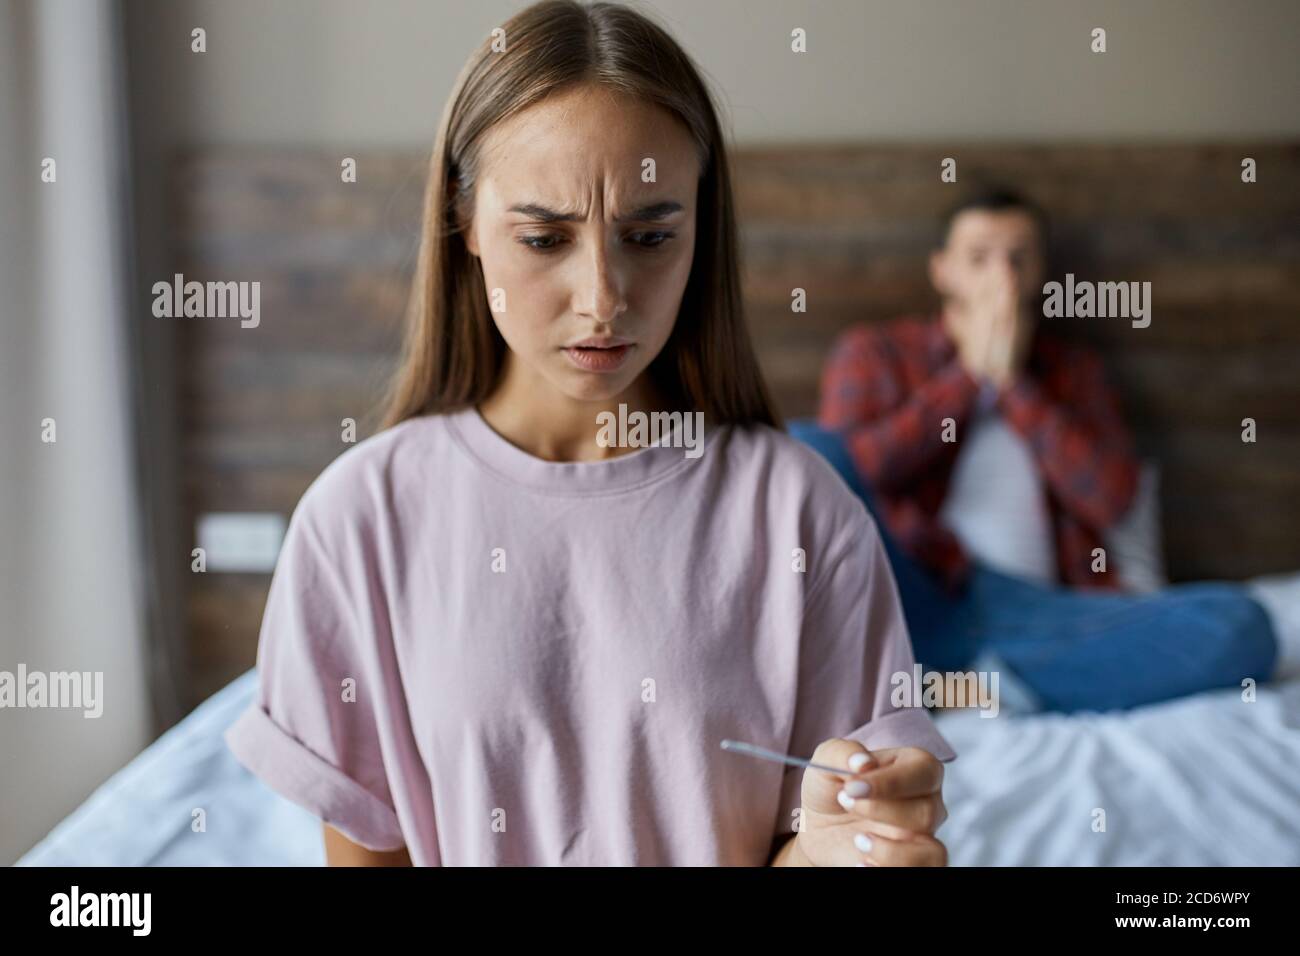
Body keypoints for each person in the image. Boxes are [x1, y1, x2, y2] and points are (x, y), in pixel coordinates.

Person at [225, 0, 955, 868]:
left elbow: (826, 843)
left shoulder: (803, 516)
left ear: (701, 229)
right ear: (466, 223)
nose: (603, 298)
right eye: (543, 237)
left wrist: (853, 846)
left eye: (650, 236)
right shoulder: (358, 522)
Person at [792, 186, 1293, 715]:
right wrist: (968, 378)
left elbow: (1112, 500)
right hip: (922, 592)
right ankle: (944, 678)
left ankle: (966, 687)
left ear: (1041, 272)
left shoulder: (1072, 372)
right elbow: (848, 483)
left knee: (1241, 625)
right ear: (943, 270)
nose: (1002, 274)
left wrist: (1012, 385)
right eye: (980, 256)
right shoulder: (876, 352)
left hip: (1040, 615)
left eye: (1018, 257)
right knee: (806, 448)